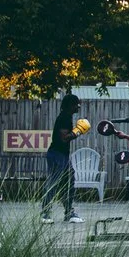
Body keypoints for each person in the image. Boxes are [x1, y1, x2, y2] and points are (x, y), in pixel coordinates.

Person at [43, 93, 82, 224]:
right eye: (76, 104)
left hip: (62, 155)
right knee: (54, 183)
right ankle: (45, 214)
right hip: (57, 155)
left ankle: (69, 213)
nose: (78, 106)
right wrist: (77, 131)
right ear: (70, 105)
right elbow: (64, 138)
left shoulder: (67, 116)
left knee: (69, 182)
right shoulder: (64, 117)